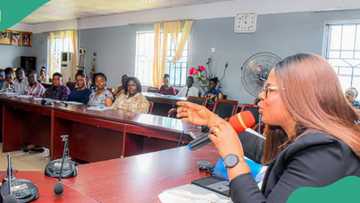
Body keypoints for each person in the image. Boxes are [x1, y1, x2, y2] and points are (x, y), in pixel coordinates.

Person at [177, 53, 360, 203]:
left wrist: (233, 159)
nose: (259, 95)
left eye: (268, 89)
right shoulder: (310, 141)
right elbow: (267, 153)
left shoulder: (324, 153)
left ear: (297, 96)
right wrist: (213, 120)